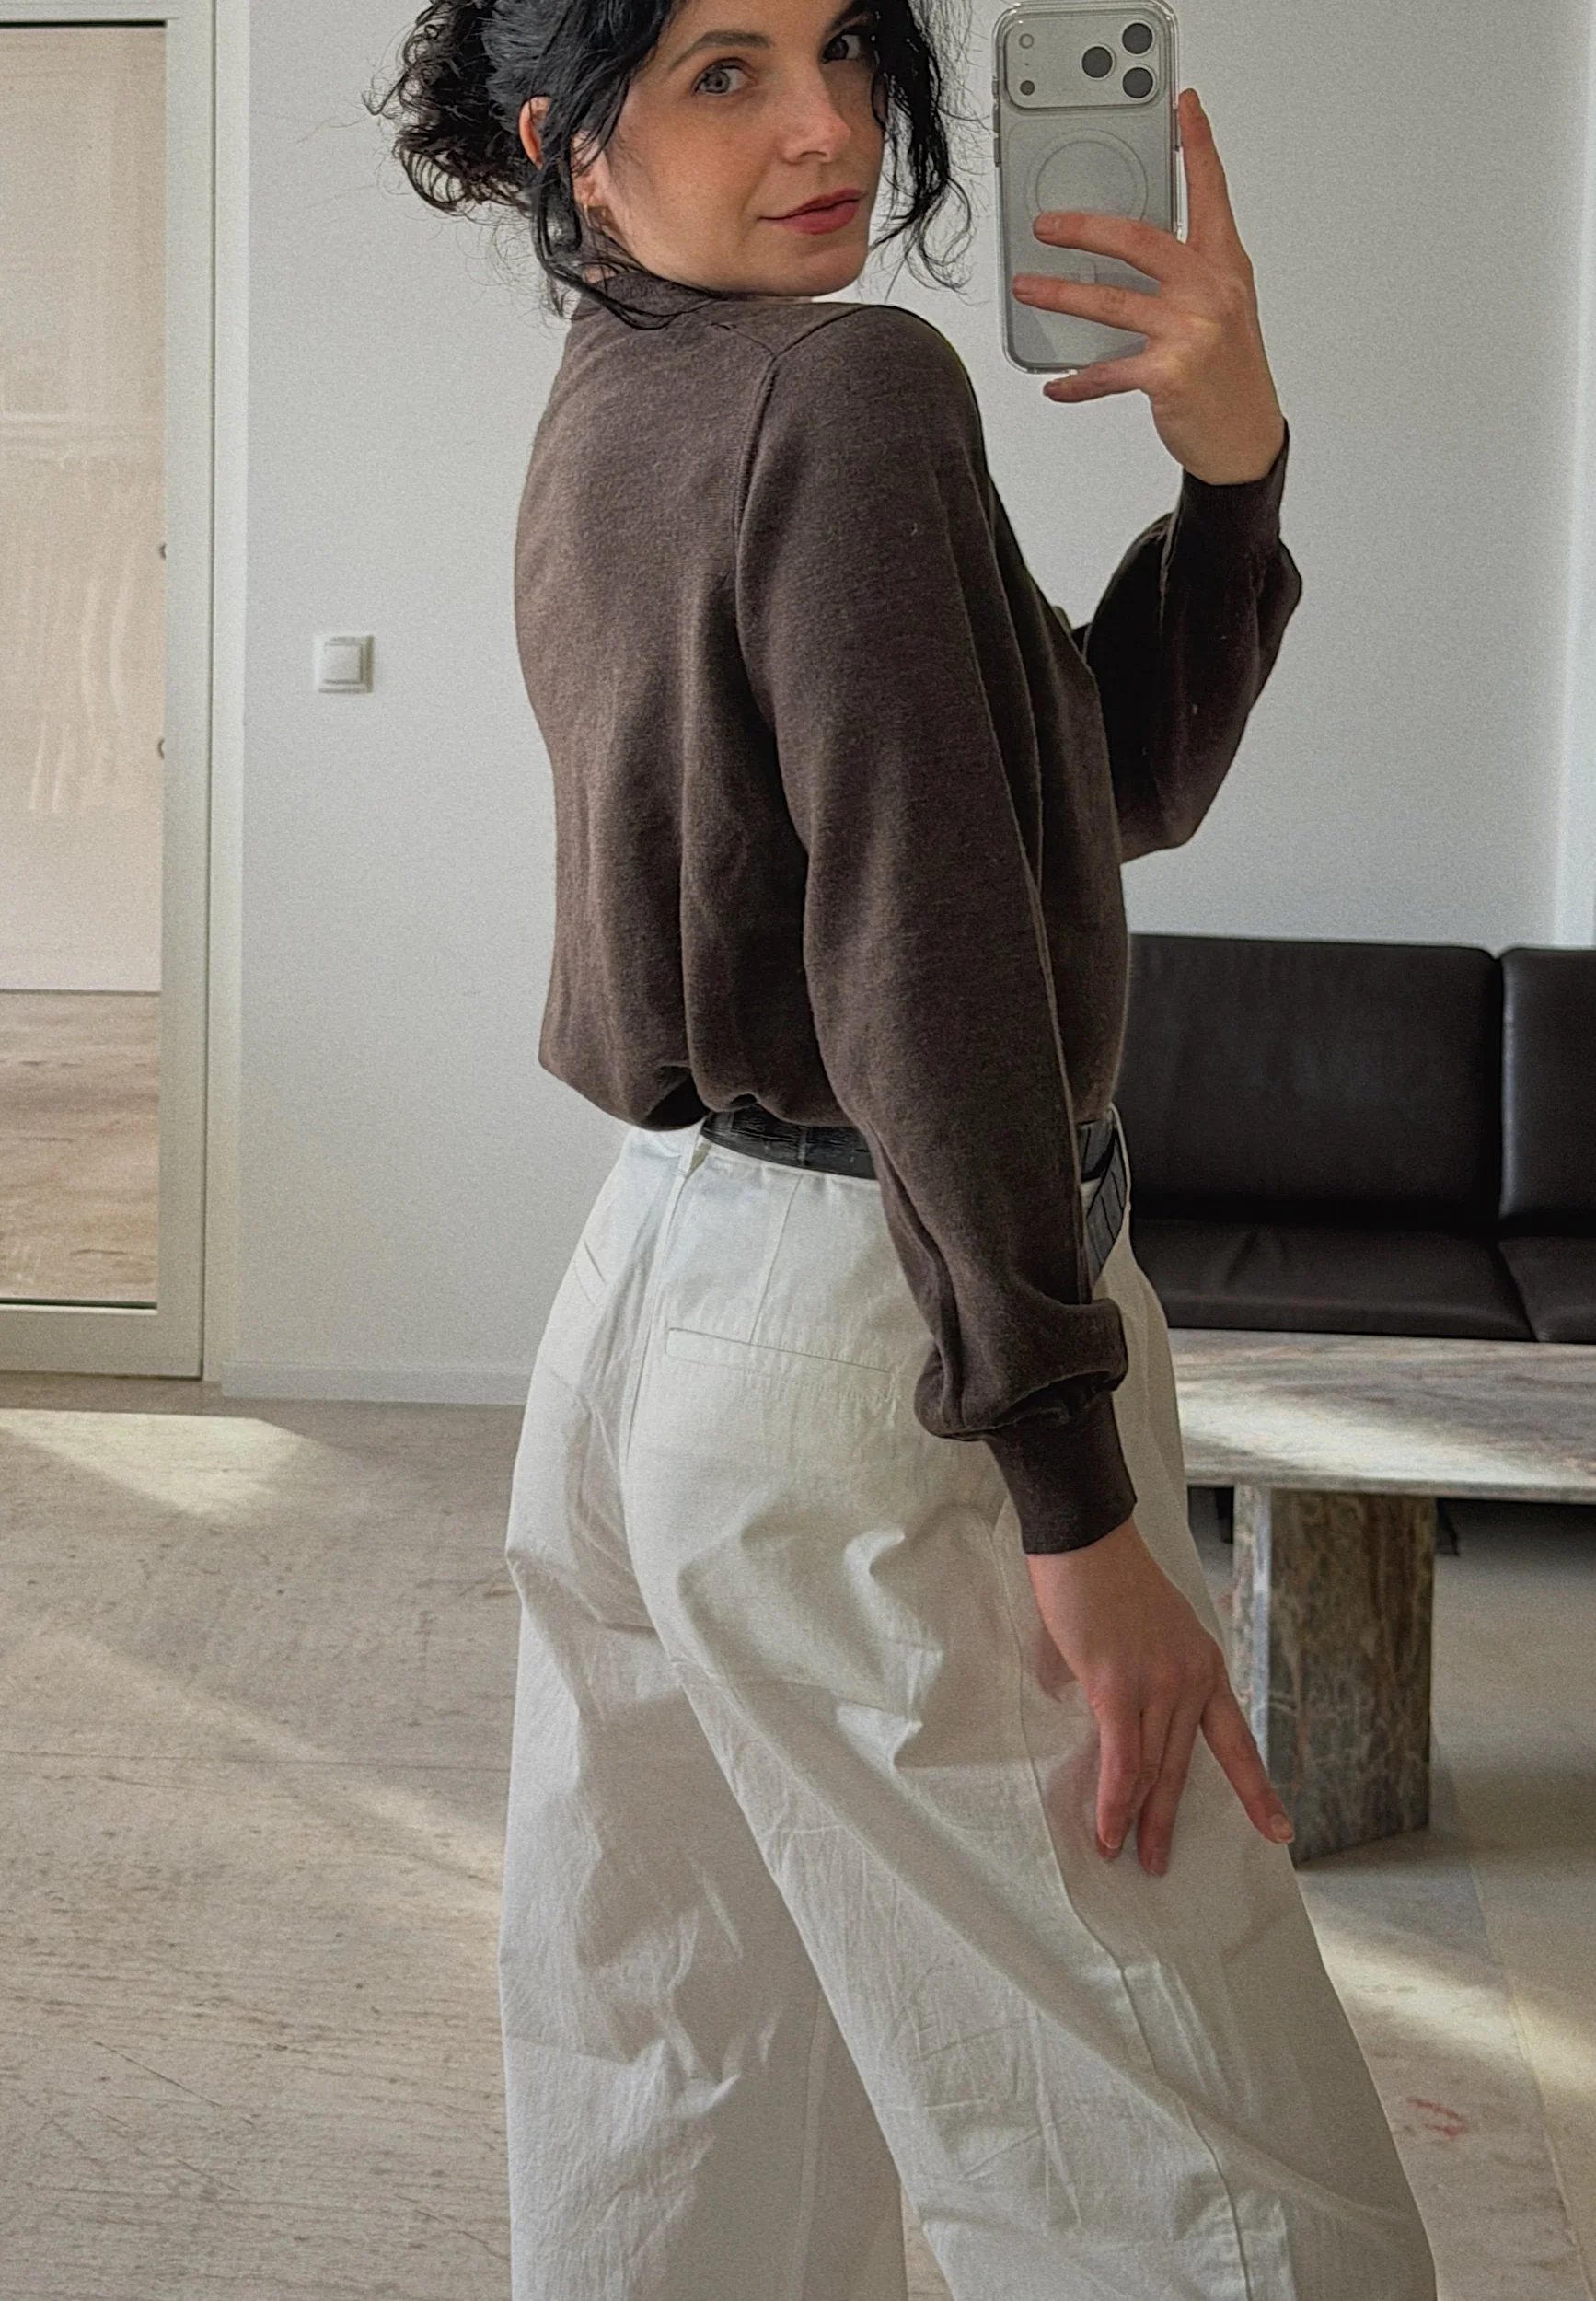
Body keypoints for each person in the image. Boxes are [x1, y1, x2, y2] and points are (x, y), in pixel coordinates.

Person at [371, 1, 1438, 2294]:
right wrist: (1075, 1494)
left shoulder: (623, 395)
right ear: (569, 145)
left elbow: (1089, 784)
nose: (830, 124)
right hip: (885, 1344)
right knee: (1220, 2185)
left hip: (660, 1306)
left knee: (689, 2099)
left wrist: (1228, 473)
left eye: (846, 48)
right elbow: (922, 949)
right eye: (725, 71)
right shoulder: (850, 390)